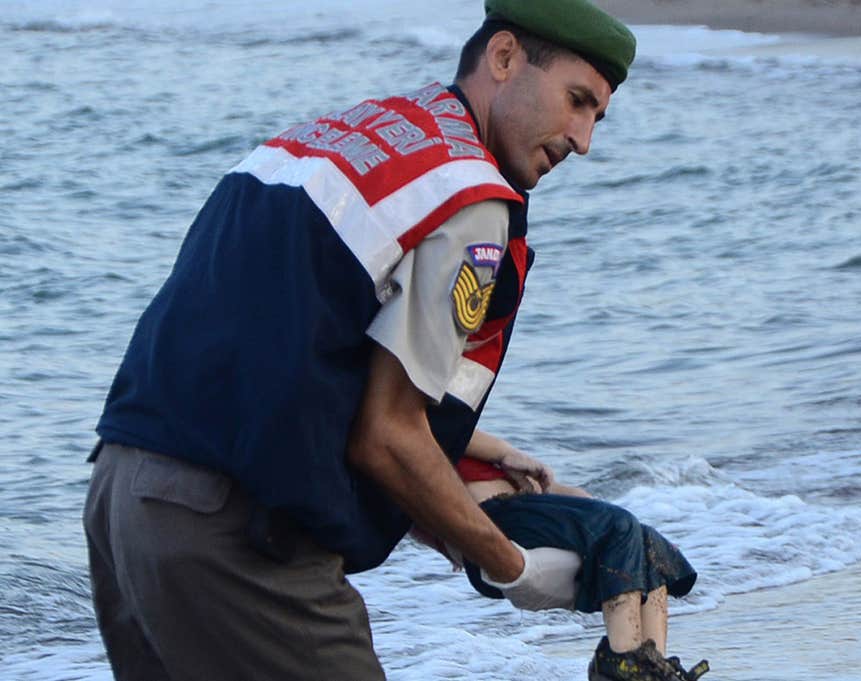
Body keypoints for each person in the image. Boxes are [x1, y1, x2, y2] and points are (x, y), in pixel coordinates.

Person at [83, 1, 639, 680]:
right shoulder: (470, 197)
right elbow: (385, 437)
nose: (583, 138)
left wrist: (482, 449)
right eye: (576, 100)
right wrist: (511, 566)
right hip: (232, 532)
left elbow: (297, 352)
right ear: (503, 58)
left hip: (120, 495)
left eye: (597, 117)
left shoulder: (335, 137)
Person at [414, 431, 709, 681]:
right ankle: (622, 660)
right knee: (621, 525)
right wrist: (507, 452)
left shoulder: (483, 454)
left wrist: (597, 516)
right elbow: (439, 429)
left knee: (646, 542)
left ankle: (652, 666)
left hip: (527, 511)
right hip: (492, 517)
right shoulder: (439, 432)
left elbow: (559, 494)